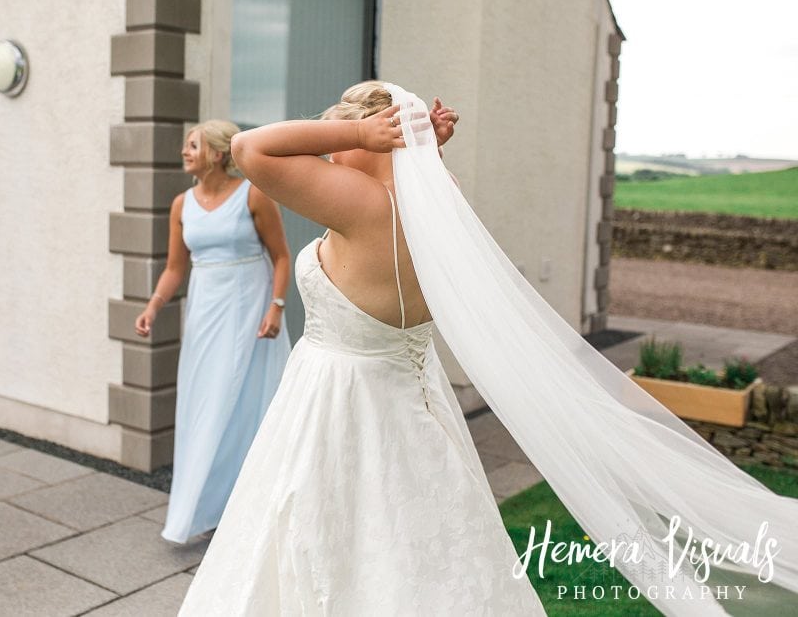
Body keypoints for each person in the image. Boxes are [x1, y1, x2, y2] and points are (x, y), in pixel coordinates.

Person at [179, 82, 798, 614]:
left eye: (339, 138)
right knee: (412, 544)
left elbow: (248, 148)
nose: (327, 151)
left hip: (339, 403)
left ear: (376, 137)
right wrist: (414, 148)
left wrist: (362, 137)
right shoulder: (435, 199)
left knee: (331, 536)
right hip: (409, 402)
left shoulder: (364, 206)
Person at [134, 119, 291, 544]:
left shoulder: (253, 193)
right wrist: (153, 307)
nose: (185, 152)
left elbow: (280, 257)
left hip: (250, 313)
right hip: (204, 315)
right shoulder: (181, 205)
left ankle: (249, 510)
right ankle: (202, 508)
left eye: (193, 145)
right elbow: (174, 268)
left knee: (243, 406)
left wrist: (276, 308)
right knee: (204, 405)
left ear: (218, 154)